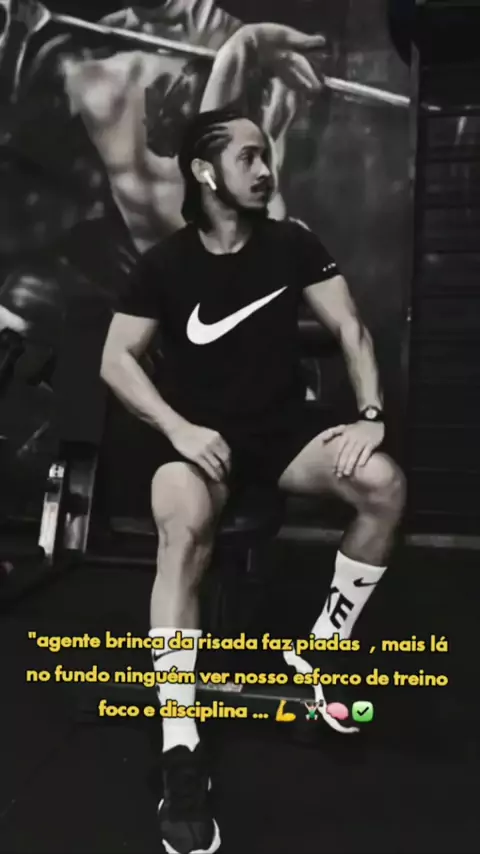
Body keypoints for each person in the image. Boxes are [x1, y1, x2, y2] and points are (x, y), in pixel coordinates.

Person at [100, 106, 406, 854]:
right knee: (181, 523)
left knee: (383, 484)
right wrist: (178, 428)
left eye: (267, 156)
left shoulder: (292, 243)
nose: (266, 170)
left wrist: (370, 414)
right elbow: (114, 360)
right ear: (206, 173)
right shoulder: (165, 264)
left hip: (279, 436)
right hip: (199, 446)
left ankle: (320, 653)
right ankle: (180, 748)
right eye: (249, 158)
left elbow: (351, 328)